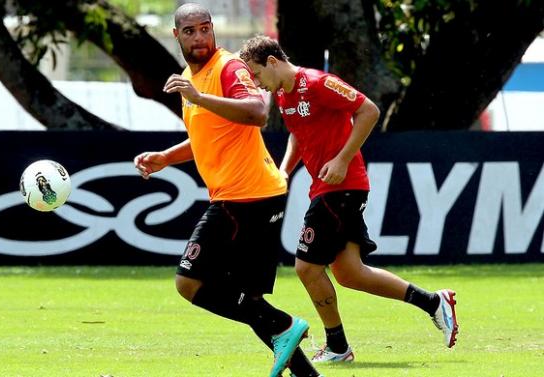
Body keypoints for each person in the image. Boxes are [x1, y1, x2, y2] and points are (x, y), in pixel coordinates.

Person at [239, 35, 459, 364]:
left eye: (256, 74)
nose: (257, 83)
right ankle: (433, 302)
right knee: (350, 273)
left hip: (342, 187)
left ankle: (338, 347)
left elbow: (368, 110)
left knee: (307, 267)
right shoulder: (284, 96)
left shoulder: (317, 82)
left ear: (272, 61)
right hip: (327, 187)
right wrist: (284, 171)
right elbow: (298, 135)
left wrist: (343, 158)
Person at [133, 5, 323, 377]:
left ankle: (284, 324)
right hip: (255, 195)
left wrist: (200, 98)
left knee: (189, 282)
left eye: (205, 29)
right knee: (247, 301)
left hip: (244, 198)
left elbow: (256, 112)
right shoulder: (190, 78)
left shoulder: (229, 67)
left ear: (213, 30)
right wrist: (166, 158)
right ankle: (306, 373)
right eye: (190, 31)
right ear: (177, 36)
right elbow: (205, 135)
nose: (199, 37)